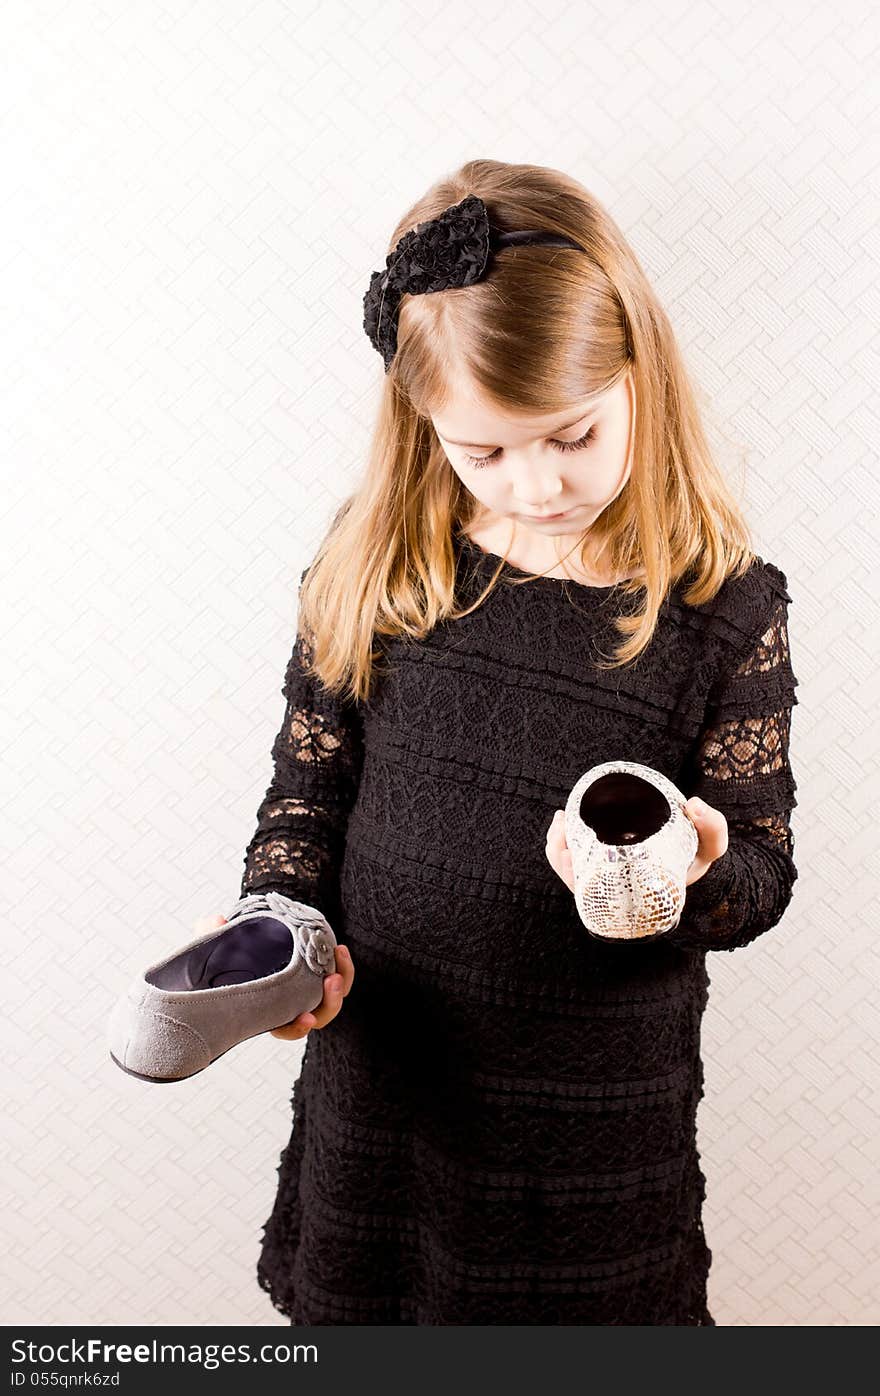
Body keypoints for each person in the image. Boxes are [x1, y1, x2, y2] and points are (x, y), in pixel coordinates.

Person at [204, 159, 800, 1325]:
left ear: (641, 375)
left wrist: (697, 869)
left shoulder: (722, 608)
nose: (535, 485)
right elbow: (304, 802)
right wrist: (278, 930)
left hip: (589, 1129)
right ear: (423, 426)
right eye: (485, 452)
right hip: (388, 1101)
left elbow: (761, 875)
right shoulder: (379, 566)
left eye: (573, 436)